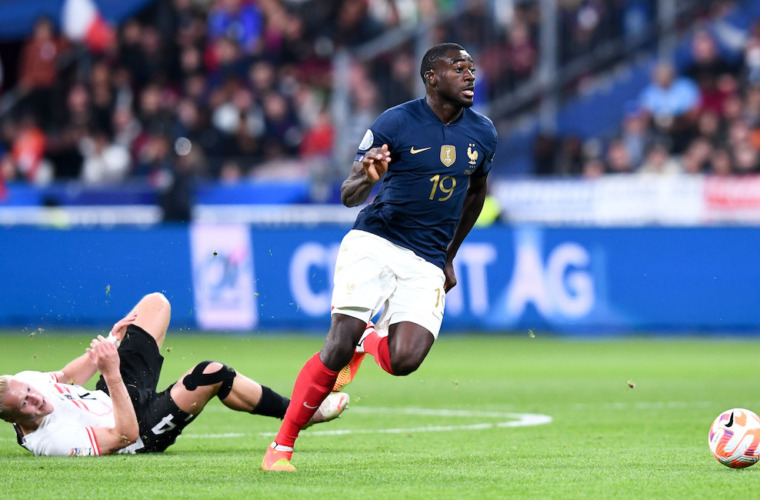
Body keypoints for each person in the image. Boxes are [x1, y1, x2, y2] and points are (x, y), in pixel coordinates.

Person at [261, 42, 498, 471]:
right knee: (337, 345)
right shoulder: (395, 122)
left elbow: (476, 194)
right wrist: (368, 177)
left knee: (404, 361)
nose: (470, 75)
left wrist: (449, 256)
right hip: (376, 241)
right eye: (459, 68)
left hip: (427, 258)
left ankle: (368, 338)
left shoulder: (483, 133)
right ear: (431, 78)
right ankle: (281, 447)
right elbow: (348, 194)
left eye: (472, 68)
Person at [0, 292, 349, 456]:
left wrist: (109, 344)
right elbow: (124, 435)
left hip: (113, 395)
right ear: (13, 419)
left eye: (29, 390)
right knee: (211, 373)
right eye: (26, 403)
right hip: (138, 431)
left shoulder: (26, 381)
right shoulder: (51, 442)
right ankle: (302, 413)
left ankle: (300, 411)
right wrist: (113, 372)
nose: (35, 397)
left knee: (154, 305)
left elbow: (65, 376)